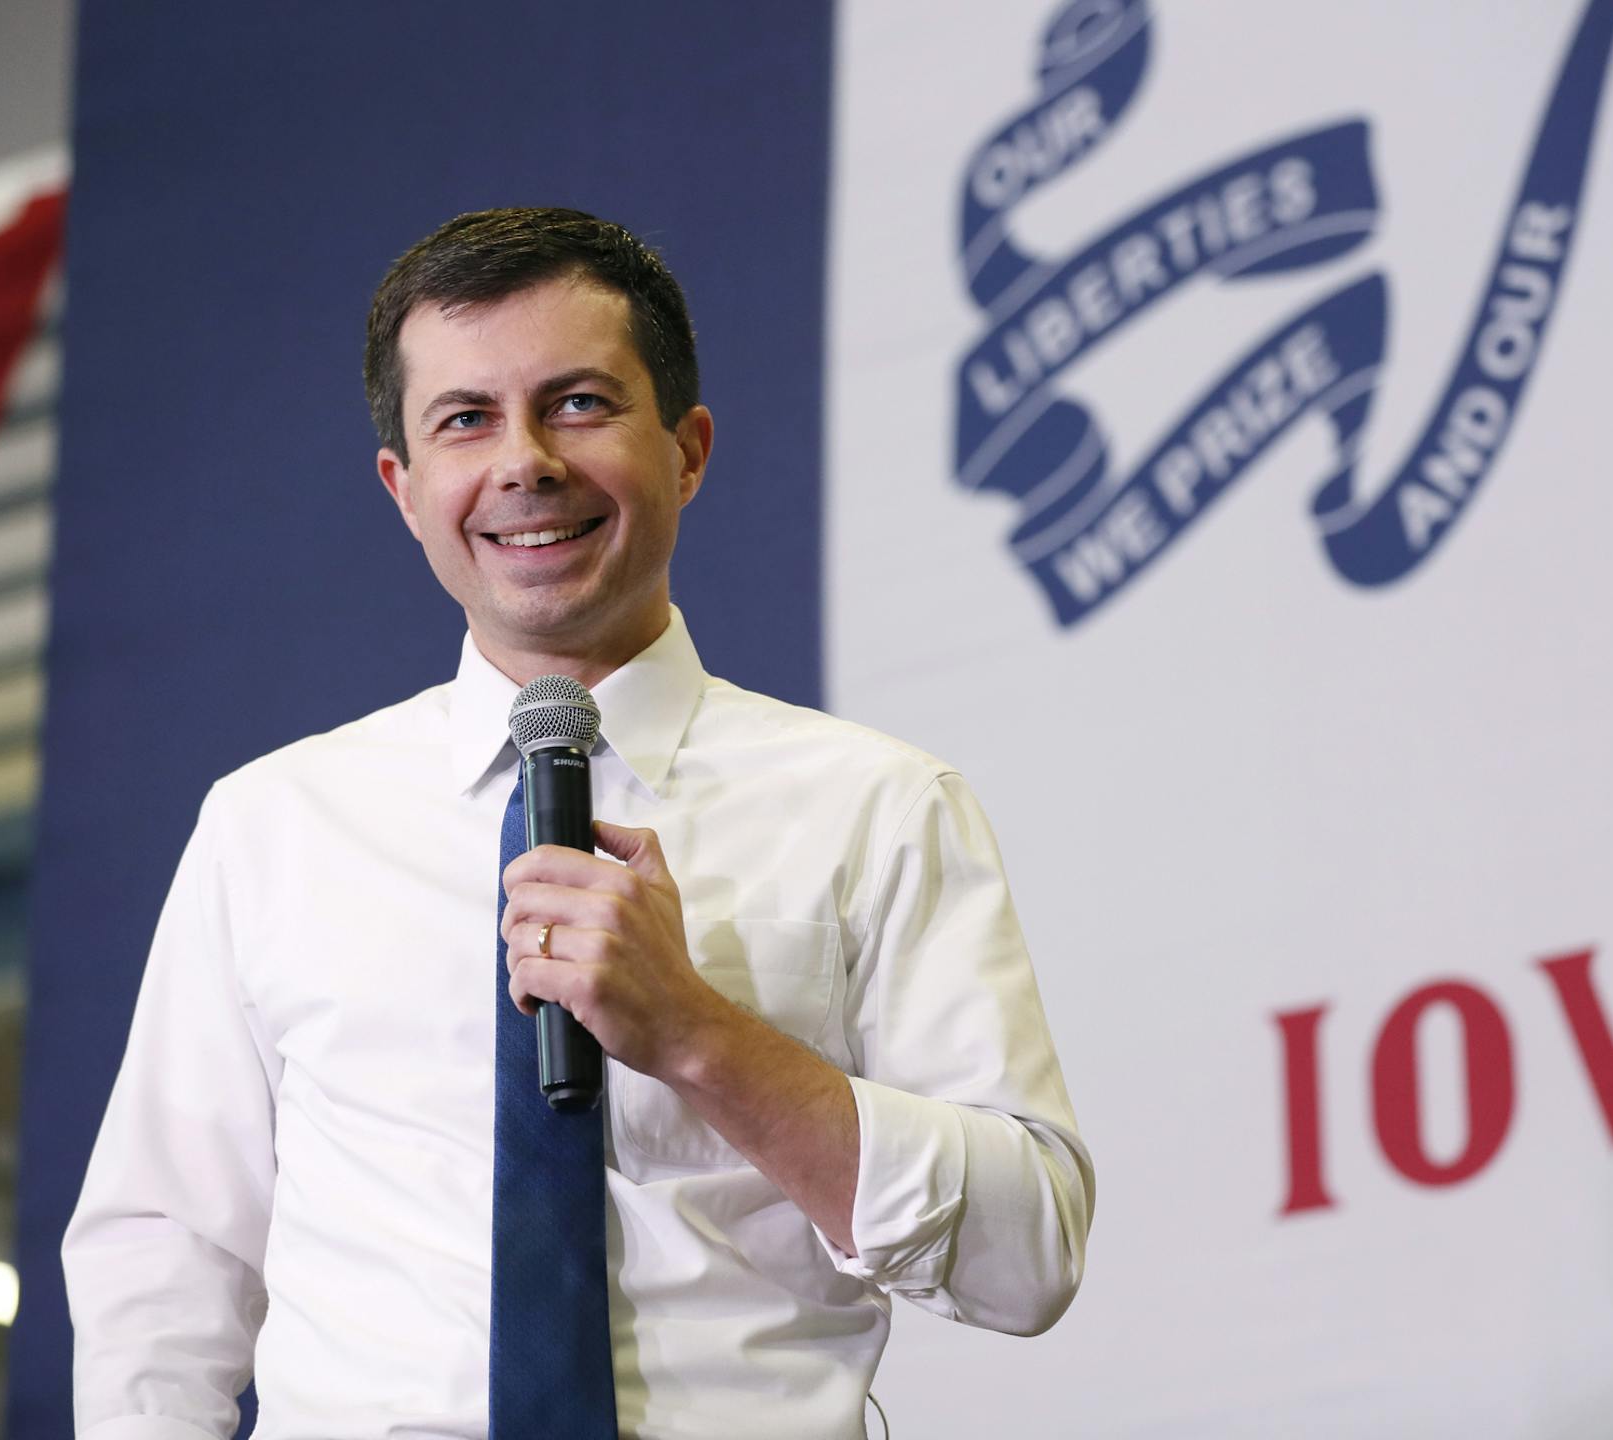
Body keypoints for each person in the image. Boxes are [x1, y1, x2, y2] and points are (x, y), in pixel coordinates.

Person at [63, 208, 1094, 1440]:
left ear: (689, 450)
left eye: (580, 404)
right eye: (465, 421)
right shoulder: (273, 825)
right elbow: (164, 1266)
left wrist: (702, 1036)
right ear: (403, 488)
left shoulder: (876, 808)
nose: (525, 462)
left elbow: (1028, 1255)